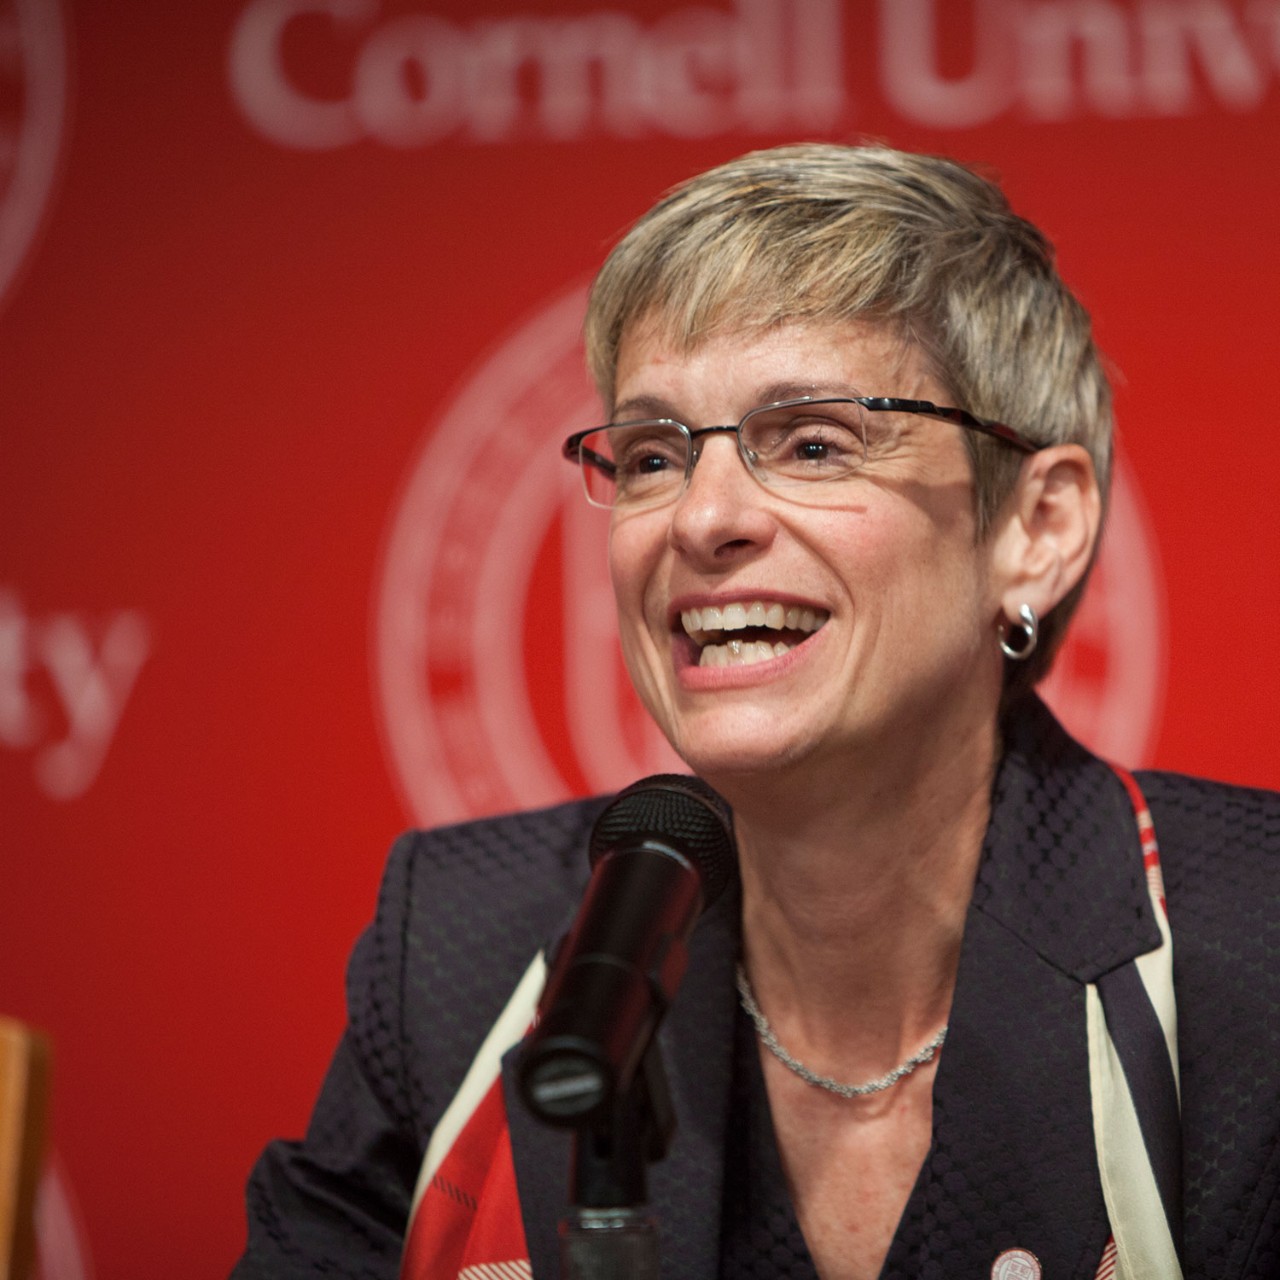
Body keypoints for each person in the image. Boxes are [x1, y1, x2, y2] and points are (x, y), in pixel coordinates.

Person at [232, 144, 1280, 1280]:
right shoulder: (458, 953)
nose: (701, 515)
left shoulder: (1249, 940)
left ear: (1034, 526)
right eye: (649, 455)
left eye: (814, 442)